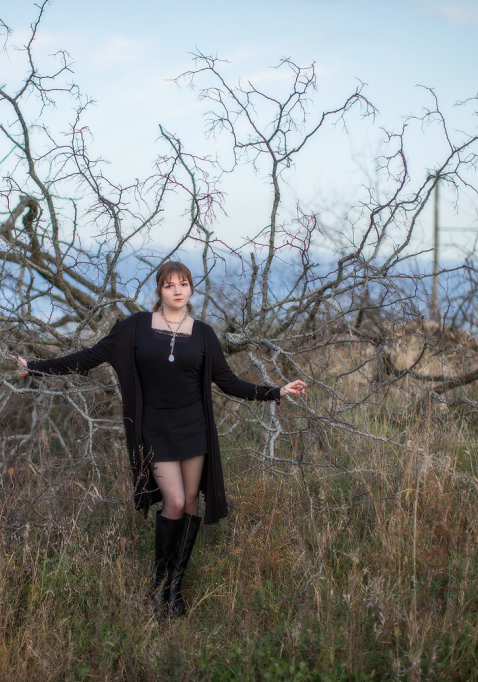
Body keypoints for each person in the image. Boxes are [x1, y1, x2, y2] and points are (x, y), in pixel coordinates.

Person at [16, 261, 306, 618]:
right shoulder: (134, 328)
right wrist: (35, 366)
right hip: (155, 429)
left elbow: (228, 382)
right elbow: (89, 358)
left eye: (184, 284)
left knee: (190, 505)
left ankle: (175, 589)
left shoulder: (203, 334)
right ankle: (158, 585)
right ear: (160, 290)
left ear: (191, 290)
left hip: (194, 429)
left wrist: (276, 391)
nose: (178, 290)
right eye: (170, 285)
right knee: (174, 501)